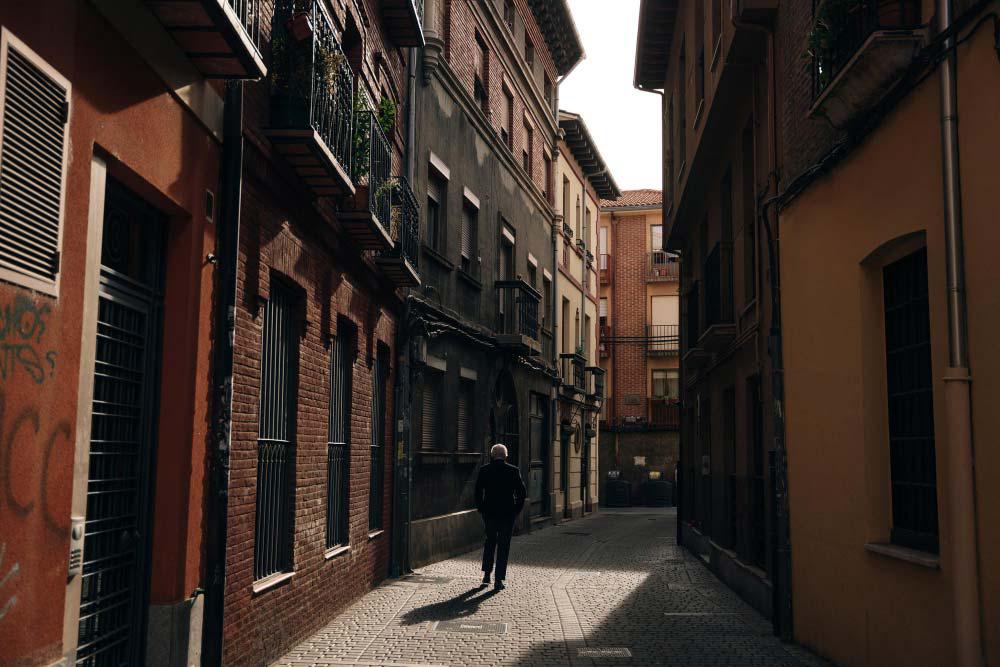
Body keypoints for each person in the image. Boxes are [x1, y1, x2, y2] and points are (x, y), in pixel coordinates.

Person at [475, 443, 526, 590]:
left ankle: (486, 575)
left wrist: (481, 508)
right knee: (504, 546)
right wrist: (515, 511)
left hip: (489, 513)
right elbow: (522, 494)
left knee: (490, 542)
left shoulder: (485, 470)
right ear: (505, 456)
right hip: (507, 514)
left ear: (492, 455)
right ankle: (498, 580)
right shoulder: (513, 471)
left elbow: (478, 491)